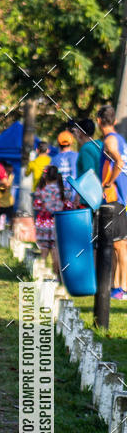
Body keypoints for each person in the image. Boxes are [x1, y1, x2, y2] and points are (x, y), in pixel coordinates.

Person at [96, 105, 127, 302]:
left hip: (117, 197)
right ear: (114, 121)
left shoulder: (109, 141)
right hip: (121, 197)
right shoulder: (121, 139)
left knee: (120, 245)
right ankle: (117, 286)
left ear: (99, 121)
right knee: (117, 244)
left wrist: (108, 182)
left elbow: (119, 162)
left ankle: (123, 287)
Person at [33, 165, 67, 274]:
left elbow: (36, 206)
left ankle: (40, 275)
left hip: (43, 223)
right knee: (55, 250)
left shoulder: (41, 191)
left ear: (45, 177)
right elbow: (68, 205)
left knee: (43, 249)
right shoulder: (63, 191)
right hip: (58, 223)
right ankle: (56, 277)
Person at [0, 160, 15, 234]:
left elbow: (4, 187)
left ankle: (11, 234)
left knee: (11, 220)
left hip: (8, 203)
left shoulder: (10, 176)